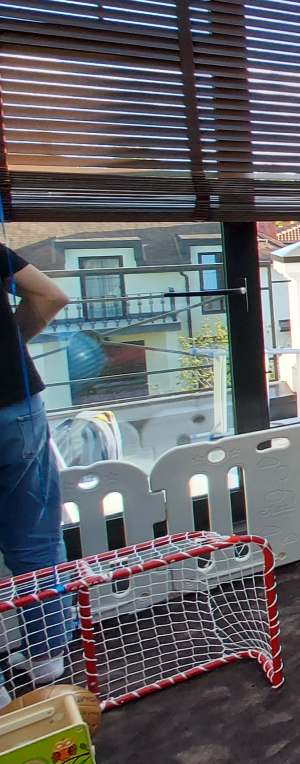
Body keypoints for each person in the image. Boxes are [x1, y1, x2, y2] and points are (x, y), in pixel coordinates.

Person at [0, 246, 70, 705]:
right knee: (35, 537)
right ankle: (47, 658)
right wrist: (11, 340)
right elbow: (50, 295)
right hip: (15, 406)